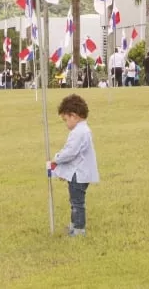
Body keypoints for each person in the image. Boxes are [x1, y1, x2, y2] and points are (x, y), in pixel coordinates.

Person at [49, 94, 99, 237]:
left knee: (77, 202)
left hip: (80, 174)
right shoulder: (82, 130)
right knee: (74, 201)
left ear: (73, 116)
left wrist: (56, 159)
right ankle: (74, 225)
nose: (66, 124)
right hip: (79, 172)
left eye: (65, 120)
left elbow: (70, 152)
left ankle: (78, 229)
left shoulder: (79, 132)